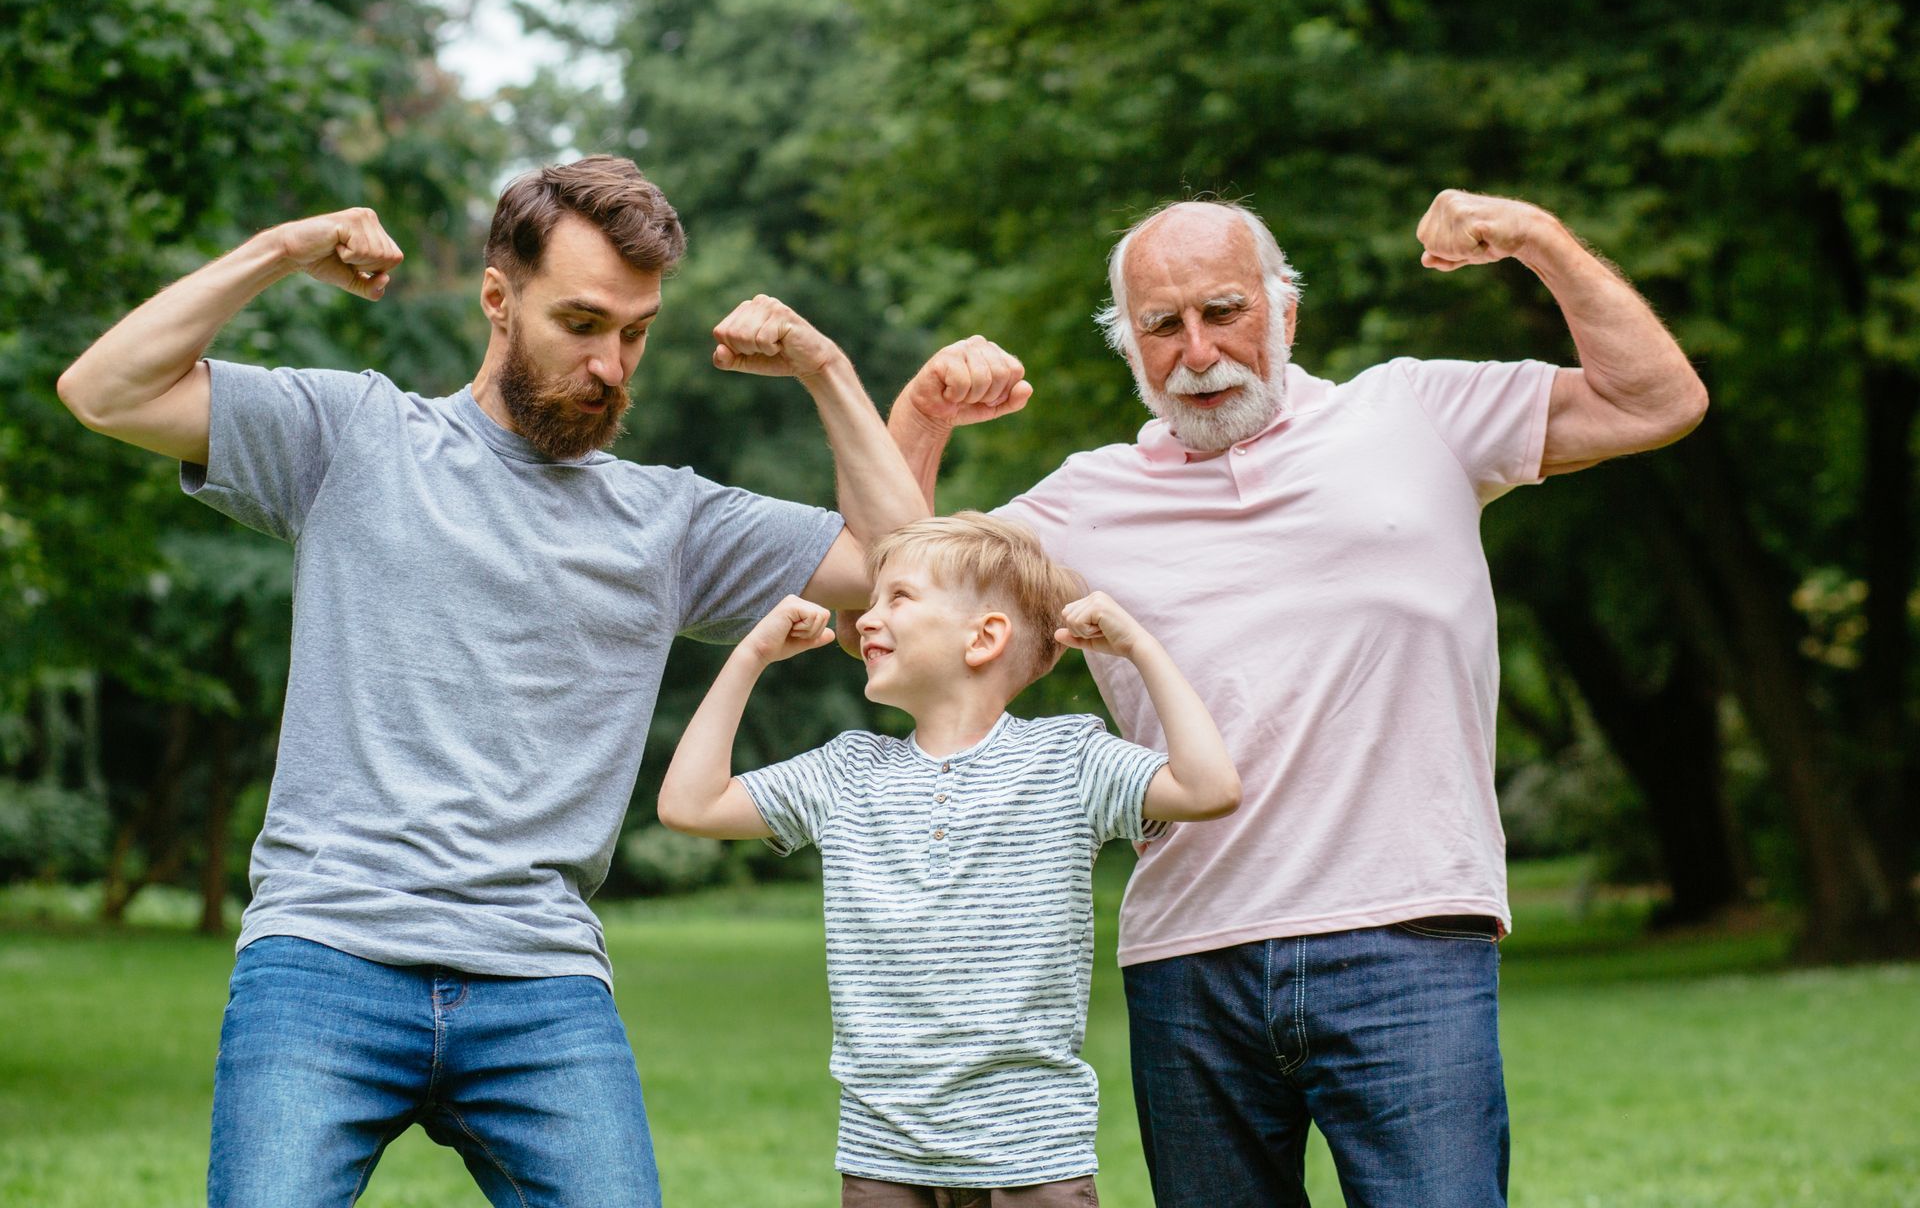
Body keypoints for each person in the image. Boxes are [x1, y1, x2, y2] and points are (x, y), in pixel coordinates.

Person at [54, 155, 927, 1207]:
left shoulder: (671, 520)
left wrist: (825, 366)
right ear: (497, 299)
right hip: (327, 952)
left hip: (541, 977)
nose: (612, 364)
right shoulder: (355, 437)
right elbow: (104, 389)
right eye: (582, 322)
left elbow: (909, 569)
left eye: (635, 331)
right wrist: (284, 250)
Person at [881, 191, 1710, 1207]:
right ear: (1130, 348)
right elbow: (890, 614)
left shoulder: (1417, 413)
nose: (1196, 350)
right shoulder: (1082, 500)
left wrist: (1538, 240)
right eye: (1161, 325)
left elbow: (1654, 400)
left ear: (1285, 312)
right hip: (1191, 963)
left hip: (1409, 939)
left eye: (1223, 310)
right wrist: (918, 423)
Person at [657, 512, 1241, 1206]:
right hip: (885, 1151)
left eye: (898, 598)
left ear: (985, 637)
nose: (867, 619)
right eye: (871, 600)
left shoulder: (1067, 760)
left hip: (1031, 1154)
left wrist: (1139, 647)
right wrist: (748, 655)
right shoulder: (847, 772)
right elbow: (689, 805)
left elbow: (1209, 788)